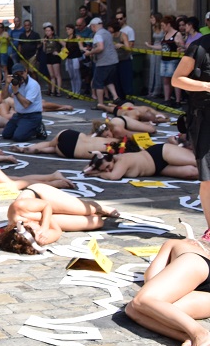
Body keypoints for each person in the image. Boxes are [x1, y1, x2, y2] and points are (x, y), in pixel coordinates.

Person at [124, 238, 210, 346]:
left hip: (196, 263)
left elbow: (151, 277)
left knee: (142, 300)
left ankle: (201, 334)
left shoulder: (179, 243)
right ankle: (189, 337)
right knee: (134, 309)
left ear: (194, 242)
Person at [0, 184, 117, 254]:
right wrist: (44, 233)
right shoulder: (35, 239)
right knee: (97, 222)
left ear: (25, 226)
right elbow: (57, 231)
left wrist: (44, 227)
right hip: (48, 217)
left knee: (89, 210)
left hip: (42, 197)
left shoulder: (18, 208)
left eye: (36, 231)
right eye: (37, 235)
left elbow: (46, 205)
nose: (38, 233)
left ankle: (98, 206)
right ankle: (83, 211)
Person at [172, 28, 210, 242]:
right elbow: (177, 80)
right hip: (204, 119)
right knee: (209, 179)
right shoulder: (199, 48)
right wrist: (206, 85)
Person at [84, 144, 198, 180]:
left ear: (111, 158)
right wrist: (93, 168)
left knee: (196, 162)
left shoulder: (122, 161)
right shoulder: (112, 163)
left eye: (108, 166)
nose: (108, 170)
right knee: (192, 173)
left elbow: (114, 177)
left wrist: (96, 173)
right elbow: (85, 169)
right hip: (159, 169)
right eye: (105, 170)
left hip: (160, 153)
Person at [0, 63, 45, 143]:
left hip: (32, 116)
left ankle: (37, 127)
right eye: (17, 74)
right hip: (19, 115)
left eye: (22, 73)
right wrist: (7, 84)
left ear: (26, 72)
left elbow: (26, 104)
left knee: (18, 137)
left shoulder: (33, 84)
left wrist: (16, 92)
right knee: (6, 135)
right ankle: (25, 127)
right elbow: (3, 97)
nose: (20, 76)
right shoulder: (14, 83)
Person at [84, 17, 119, 107]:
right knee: (108, 81)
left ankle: (100, 104)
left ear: (93, 26)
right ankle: (115, 97)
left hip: (103, 62)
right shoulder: (107, 33)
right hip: (113, 60)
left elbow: (100, 47)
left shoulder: (98, 35)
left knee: (98, 82)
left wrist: (90, 52)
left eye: (91, 27)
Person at [19, 129, 119, 159]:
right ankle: (40, 150)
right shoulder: (116, 154)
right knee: (55, 149)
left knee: (50, 144)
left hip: (71, 136)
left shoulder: (113, 139)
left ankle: (30, 148)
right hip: (69, 151)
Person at [153, 16, 184, 106]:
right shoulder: (165, 34)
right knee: (166, 79)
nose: (162, 28)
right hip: (164, 59)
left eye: (163, 25)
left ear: (168, 24)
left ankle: (178, 100)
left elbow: (182, 46)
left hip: (173, 60)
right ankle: (167, 99)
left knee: (174, 80)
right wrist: (151, 47)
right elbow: (162, 47)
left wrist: (179, 45)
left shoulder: (177, 34)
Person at [41, 24, 63, 96]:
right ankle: (53, 90)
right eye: (46, 31)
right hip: (48, 56)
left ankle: (58, 91)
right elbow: (44, 50)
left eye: (49, 30)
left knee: (57, 75)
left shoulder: (56, 38)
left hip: (55, 57)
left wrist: (60, 53)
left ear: (52, 31)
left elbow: (65, 44)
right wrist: (44, 44)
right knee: (51, 75)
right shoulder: (46, 39)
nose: (47, 32)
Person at [62, 23, 84, 96]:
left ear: (73, 29)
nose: (67, 31)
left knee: (77, 75)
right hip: (69, 59)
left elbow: (81, 47)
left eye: (69, 29)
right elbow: (65, 49)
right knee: (71, 76)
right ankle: (73, 91)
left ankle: (77, 92)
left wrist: (85, 50)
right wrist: (61, 53)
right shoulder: (67, 39)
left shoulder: (77, 37)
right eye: (66, 30)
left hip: (76, 58)